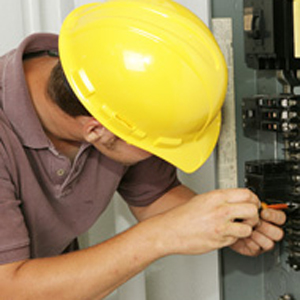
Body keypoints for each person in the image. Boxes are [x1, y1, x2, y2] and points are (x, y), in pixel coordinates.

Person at [0, 0, 285, 299]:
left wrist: (227, 222)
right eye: (155, 145)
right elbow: (10, 288)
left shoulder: (111, 78)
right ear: (96, 130)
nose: (159, 154)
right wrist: (162, 236)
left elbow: (154, 195)